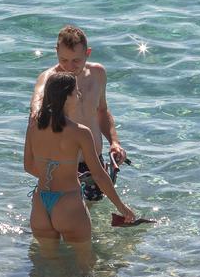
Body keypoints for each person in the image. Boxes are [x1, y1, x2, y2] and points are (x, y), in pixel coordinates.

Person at [25, 72, 134, 262]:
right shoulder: (80, 132)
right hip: (68, 205)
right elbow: (99, 176)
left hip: (40, 204)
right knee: (85, 264)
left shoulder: (34, 127)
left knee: (46, 266)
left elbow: (28, 166)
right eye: (76, 92)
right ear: (67, 97)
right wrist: (122, 208)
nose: (80, 96)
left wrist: (58, 173)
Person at [29, 24, 128, 203]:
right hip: (64, 166)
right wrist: (36, 109)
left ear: (87, 53)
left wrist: (114, 142)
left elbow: (102, 110)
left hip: (94, 163)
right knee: (67, 217)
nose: (69, 66)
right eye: (63, 59)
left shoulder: (97, 73)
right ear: (56, 51)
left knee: (92, 216)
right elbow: (36, 103)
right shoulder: (49, 79)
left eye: (76, 60)